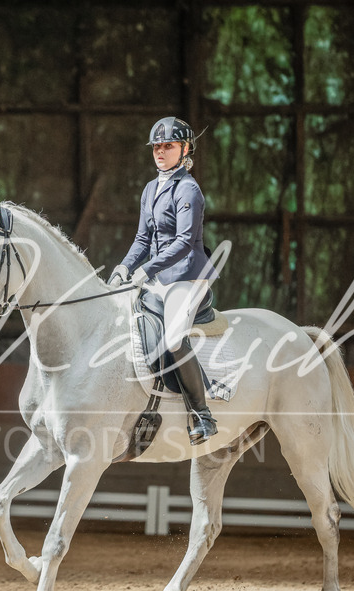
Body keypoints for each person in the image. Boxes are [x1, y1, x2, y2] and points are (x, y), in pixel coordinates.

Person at [108, 116, 219, 445]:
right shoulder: (150, 189)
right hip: (156, 276)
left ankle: (202, 414)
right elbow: (142, 240)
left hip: (188, 276)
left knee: (173, 338)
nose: (160, 152)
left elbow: (184, 241)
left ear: (184, 149)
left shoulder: (189, 190)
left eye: (168, 146)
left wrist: (147, 270)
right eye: (156, 146)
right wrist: (124, 268)